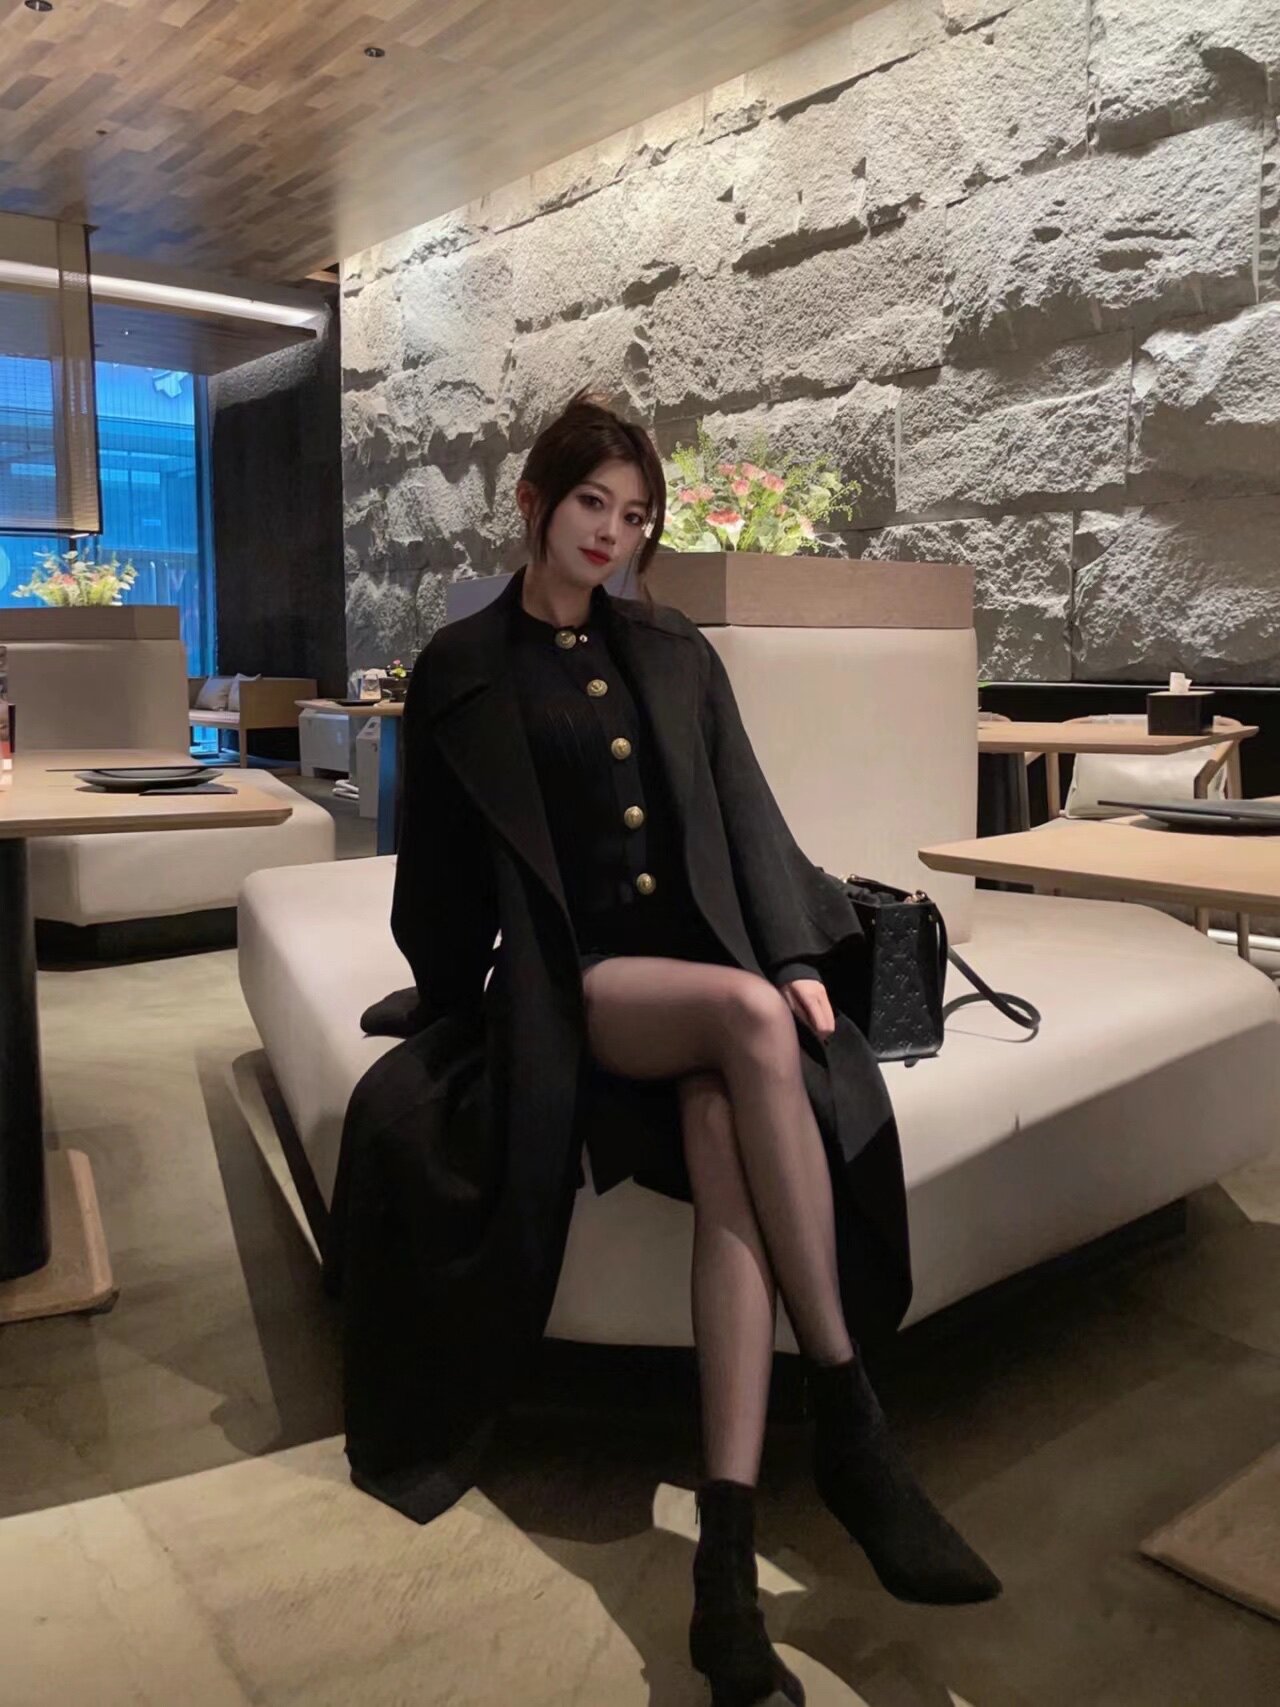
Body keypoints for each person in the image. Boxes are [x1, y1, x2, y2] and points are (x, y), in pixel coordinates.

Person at [332, 391, 999, 1707]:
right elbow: (442, 876)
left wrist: (796, 955)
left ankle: (724, 1577)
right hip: (577, 985)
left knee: (725, 1126)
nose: (613, 533)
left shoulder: (671, 645)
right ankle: (852, 1416)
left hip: (699, 968)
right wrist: (442, 999)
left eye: (635, 516)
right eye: (592, 504)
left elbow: (746, 810)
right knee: (748, 1022)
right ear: (535, 502)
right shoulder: (463, 666)